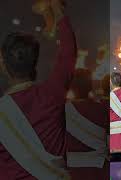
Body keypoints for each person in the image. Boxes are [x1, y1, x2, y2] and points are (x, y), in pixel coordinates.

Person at [0, 0, 76, 179]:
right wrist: (58, 10)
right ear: (35, 62)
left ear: (4, 66)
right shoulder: (51, 95)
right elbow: (68, 52)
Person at [65, 69, 107, 180]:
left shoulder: (62, 110)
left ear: (72, 87)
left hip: (71, 170)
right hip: (99, 169)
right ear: (90, 87)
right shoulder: (102, 108)